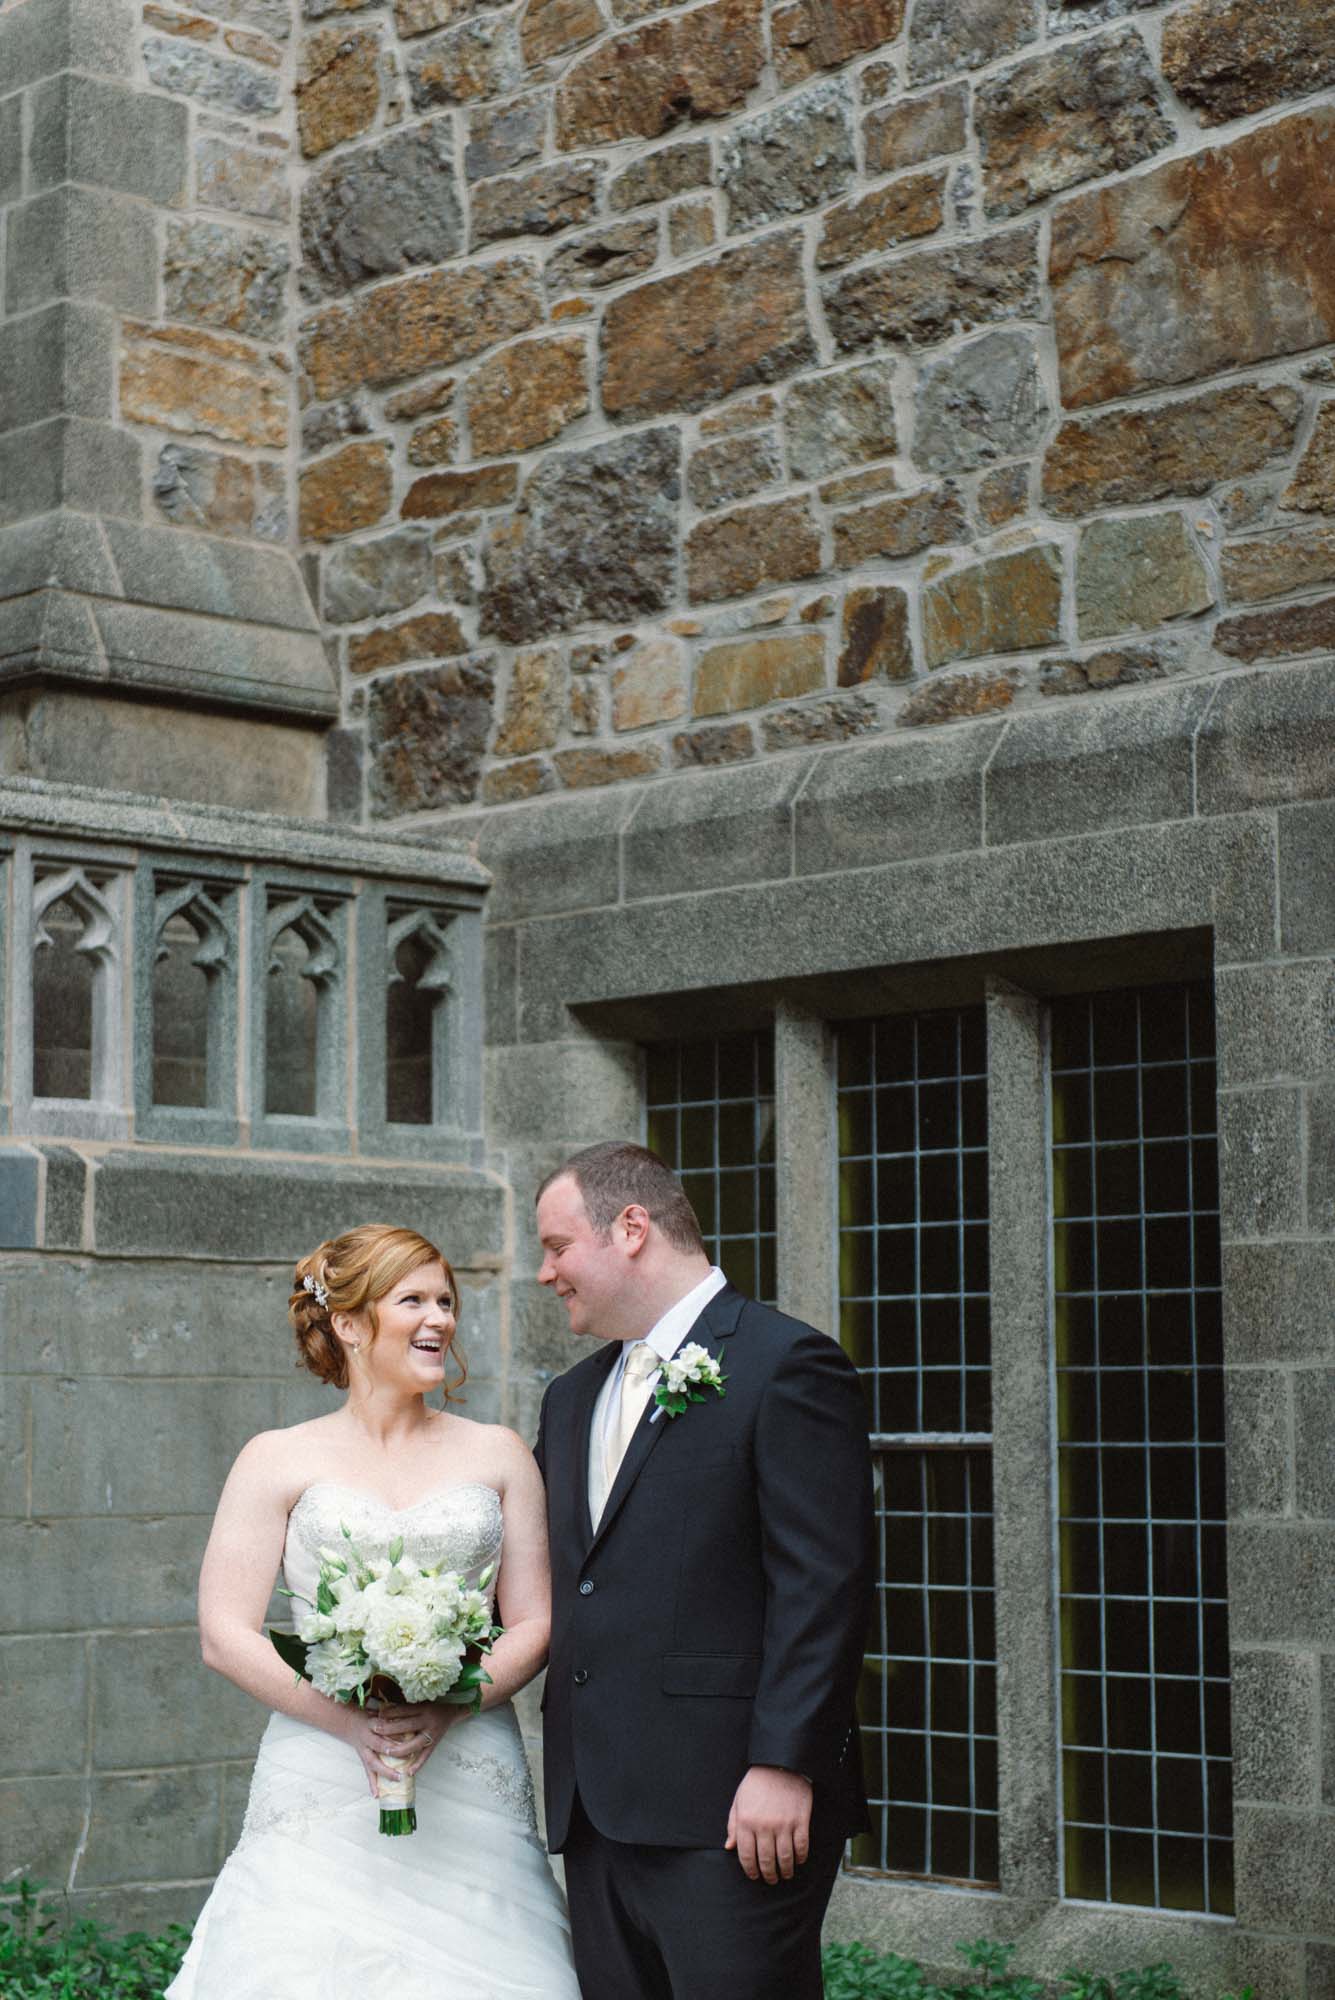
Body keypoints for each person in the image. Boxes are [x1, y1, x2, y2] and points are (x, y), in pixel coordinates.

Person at [167, 1223, 579, 2000]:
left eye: (447, 1301)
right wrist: (349, 1723)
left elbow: (535, 1622)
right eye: (413, 1301)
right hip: (320, 1769)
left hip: (467, 1766)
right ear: (350, 1324)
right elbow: (224, 1634)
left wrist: (454, 1704)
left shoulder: (497, 1454)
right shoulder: (276, 1457)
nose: (440, 1320)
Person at [534, 1141, 875, 2000]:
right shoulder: (570, 1398)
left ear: (633, 1228)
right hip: (596, 1810)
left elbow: (822, 1584)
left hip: (733, 1810)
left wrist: (783, 1764)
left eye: (556, 1246)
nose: (546, 1273)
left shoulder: (784, 1364)